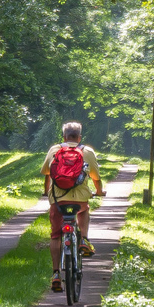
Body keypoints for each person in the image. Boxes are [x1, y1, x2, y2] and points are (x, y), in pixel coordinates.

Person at [43, 120, 104, 293]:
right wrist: (99, 191)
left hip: (57, 200)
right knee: (84, 210)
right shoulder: (87, 151)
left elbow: (47, 174)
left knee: (56, 235)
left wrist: (46, 191)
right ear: (79, 137)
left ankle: (56, 274)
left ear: (63, 136)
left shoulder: (55, 150)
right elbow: (95, 177)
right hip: (79, 201)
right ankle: (83, 239)